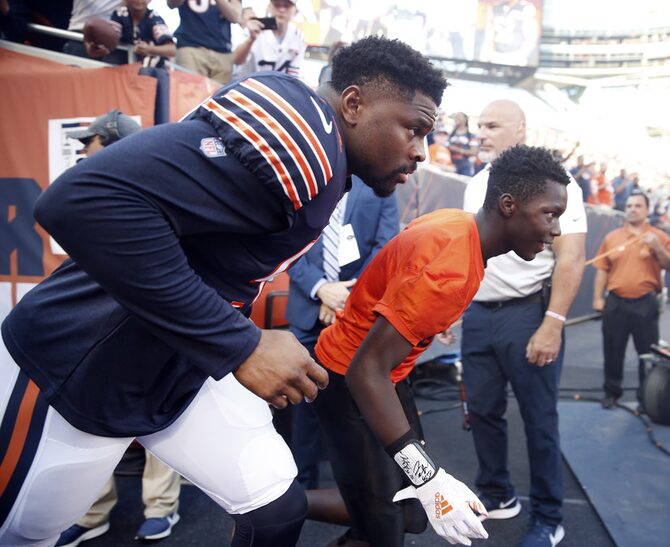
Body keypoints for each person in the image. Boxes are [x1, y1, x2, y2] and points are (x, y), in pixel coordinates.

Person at [0, 36, 447, 547]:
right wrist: (241, 343)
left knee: (276, 506)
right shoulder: (306, 132)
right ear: (352, 103)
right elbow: (82, 202)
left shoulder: (332, 159)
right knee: (26, 531)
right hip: (80, 366)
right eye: (413, 128)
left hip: (176, 365)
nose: (420, 150)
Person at [312, 144, 570, 547]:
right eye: (550, 214)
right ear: (508, 204)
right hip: (350, 381)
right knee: (387, 521)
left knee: (410, 511)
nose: (556, 230)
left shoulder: (459, 226)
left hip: (380, 376)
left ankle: (360, 514)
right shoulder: (449, 267)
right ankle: (275, 504)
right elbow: (366, 371)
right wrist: (429, 477)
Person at [50, 110, 183, 547]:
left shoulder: (150, 187)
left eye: (90, 143)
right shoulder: (94, 187)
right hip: (98, 320)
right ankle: (91, 513)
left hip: (149, 323)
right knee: (86, 419)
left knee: (159, 418)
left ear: (110, 144)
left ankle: (161, 507)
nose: (82, 150)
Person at [461, 100, 586, 547]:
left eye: (492, 124)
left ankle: (549, 517)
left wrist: (552, 324)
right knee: (482, 411)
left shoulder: (556, 184)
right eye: (479, 125)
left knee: (539, 419)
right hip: (478, 313)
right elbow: (469, 254)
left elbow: (571, 258)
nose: (482, 133)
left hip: (528, 313)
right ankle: (497, 495)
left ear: (520, 128)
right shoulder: (475, 184)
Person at [285, 175, 399, 489]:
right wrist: (321, 289)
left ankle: (359, 489)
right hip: (308, 311)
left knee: (356, 405)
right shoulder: (306, 183)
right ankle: (301, 486)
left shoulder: (380, 187)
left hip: (356, 312)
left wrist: (345, 300)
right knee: (303, 404)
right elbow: (288, 245)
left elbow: (385, 249)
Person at [592, 191, 670, 409]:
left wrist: (657, 247)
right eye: (629, 205)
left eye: (638, 206)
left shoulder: (659, 236)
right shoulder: (612, 237)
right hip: (615, 301)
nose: (632, 209)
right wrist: (597, 299)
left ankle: (646, 397)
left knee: (647, 353)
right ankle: (611, 393)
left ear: (647, 210)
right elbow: (602, 271)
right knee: (612, 350)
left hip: (645, 302)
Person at [168, 0, 241, 84]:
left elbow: (235, 16)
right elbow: (172, 4)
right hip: (191, 48)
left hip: (222, 52)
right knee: (190, 93)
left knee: (219, 95)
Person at [88, 0, 175, 66]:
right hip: (122, 68)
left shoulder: (154, 18)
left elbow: (171, 50)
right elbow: (112, 37)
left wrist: (150, 50)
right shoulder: (120, 14)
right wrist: (101, 46)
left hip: (150, 72)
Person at [233, 0, 306, 78]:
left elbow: (292, 76)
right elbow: (236, 60)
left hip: (276, 87)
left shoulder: (299, 37)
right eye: (277, 5)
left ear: (296, 11)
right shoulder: (254, 27)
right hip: (246, 85)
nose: (281, 10)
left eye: (287, 6)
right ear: (269, 7)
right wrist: (251, 39)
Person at [447, 112, 478, 176]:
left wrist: (458, 150)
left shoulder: (471, 136)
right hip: (450, 166)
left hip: (464, 167)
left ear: (465, 119)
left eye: (459, 117)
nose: (456, 118)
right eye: (455, 117)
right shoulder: (451, 134)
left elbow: (474, 152)